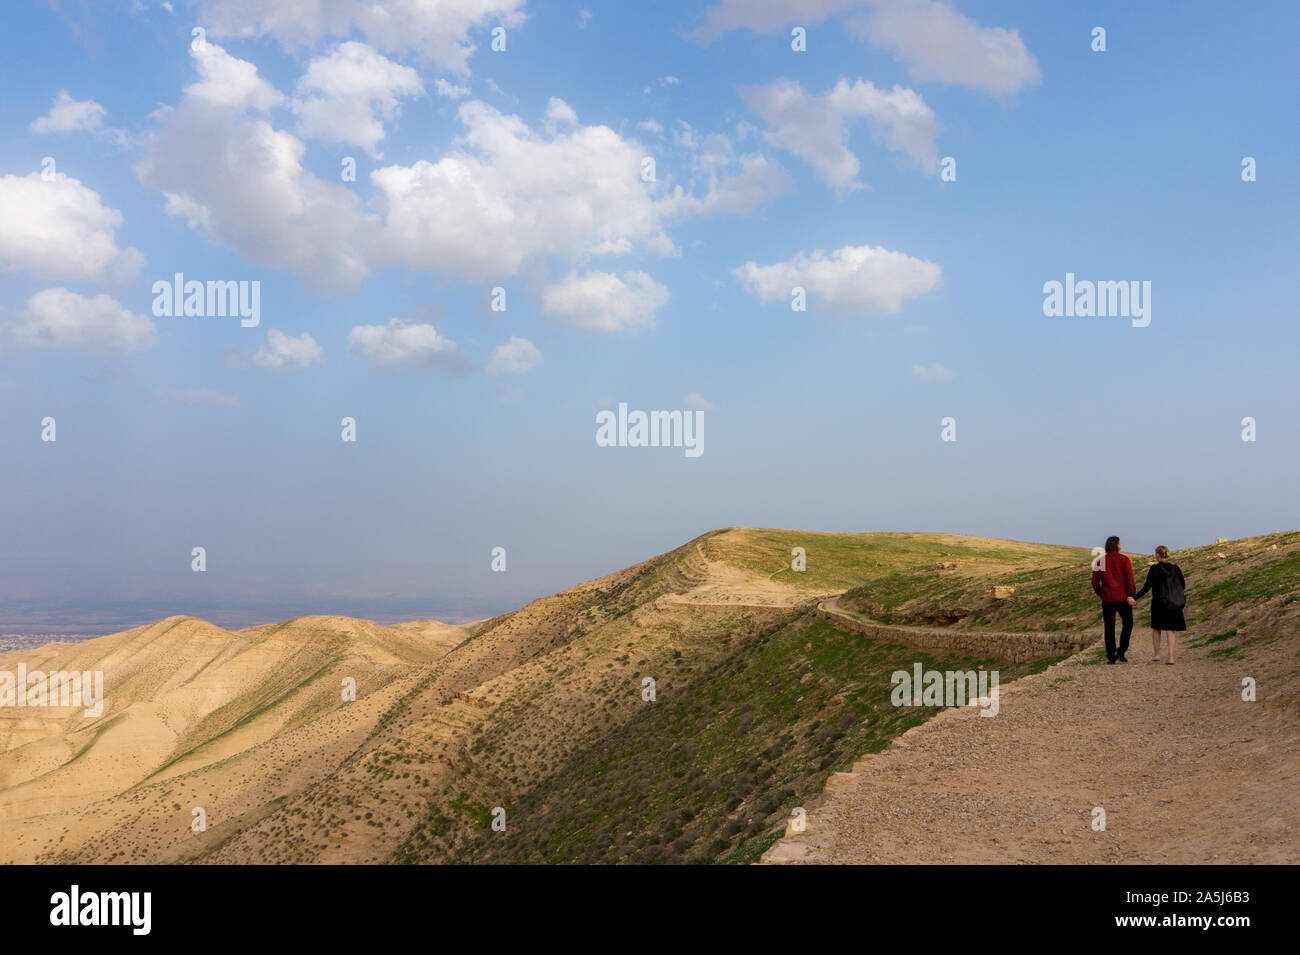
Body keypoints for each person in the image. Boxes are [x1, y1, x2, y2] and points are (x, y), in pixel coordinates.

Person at [1133, 545, 1187, 665]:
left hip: (1159, 602)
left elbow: (1147, 587)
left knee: (1156, 628)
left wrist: (1135, 598)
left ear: (1158, 555)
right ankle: (1171, 657)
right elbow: (1183, 585)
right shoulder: (1175, 568)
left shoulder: (1154, 569)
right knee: (1170, 630)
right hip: (1173, 602)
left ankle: (1157, 654)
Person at [1091, 535, 1136, 663]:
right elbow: (1129, 579)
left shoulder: (1100, 561)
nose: (1121, 545)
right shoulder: (1124, 559)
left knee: (1109, 627)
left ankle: (1111, 656)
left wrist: (1101, 593)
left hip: (1107, 599)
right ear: (1116, 545)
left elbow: (1094, 582)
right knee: (1128, 623)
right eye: (1120, 543)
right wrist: (1131, 593)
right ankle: (1121, 651)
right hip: (1122, 598)